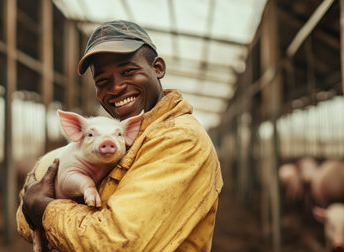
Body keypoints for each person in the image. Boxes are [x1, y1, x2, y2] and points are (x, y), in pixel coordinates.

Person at [16, 20, 223, 252]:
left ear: (158, 68)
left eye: (128, 71)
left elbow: (118, 242)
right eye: (102, 81)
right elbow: (25, 222)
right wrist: (36, 209)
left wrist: (43, 209)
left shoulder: (181, 139)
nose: (115, 88)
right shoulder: (128, 138)